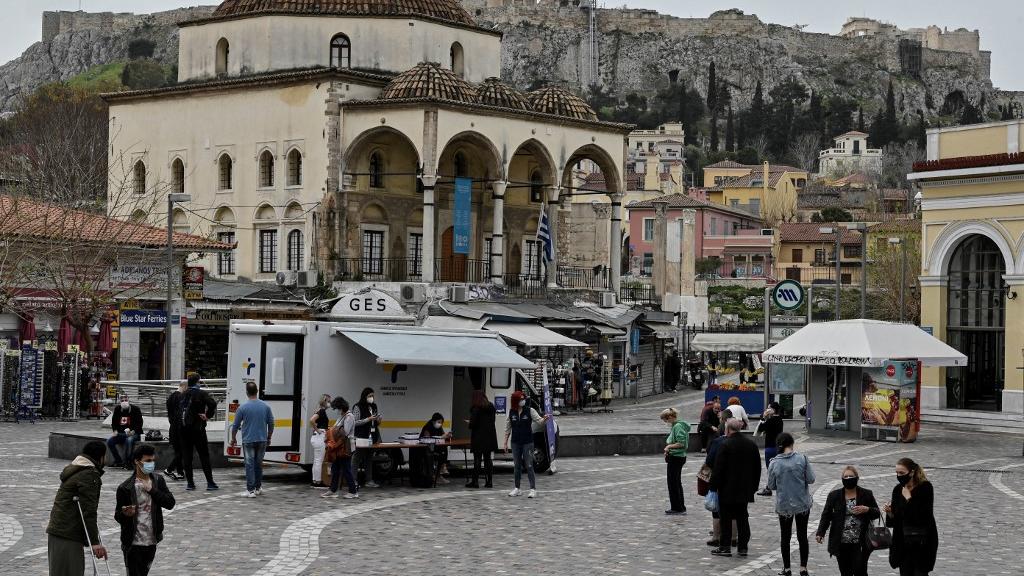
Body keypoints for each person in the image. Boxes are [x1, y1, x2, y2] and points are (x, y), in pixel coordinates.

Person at [46, 440, 109, 576]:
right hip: (68, 533)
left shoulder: (76, 469)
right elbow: (89, 510)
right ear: (101, 457)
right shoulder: (88, 474)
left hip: (59, 531)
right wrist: (95, 542)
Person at [114, 443, 175, 576]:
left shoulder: (158, 481)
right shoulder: (125, 487)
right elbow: (118, 516)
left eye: (153, 461)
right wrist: (126, 514)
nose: (151, 464)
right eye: (147, 461)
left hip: (152, 540)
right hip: (132, 543)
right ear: (137, 461)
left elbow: (170, 503)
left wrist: (152, 490)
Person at [815, 465, 880, 576]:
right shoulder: (834, 495)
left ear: (857, 478)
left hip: (860, 542)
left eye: (851, 476)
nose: (848, 478)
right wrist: (821, 532)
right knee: (845, 572)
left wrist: (867, 509)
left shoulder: (866, 494)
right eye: (846, 476)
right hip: (841, 542)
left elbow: (876, 513)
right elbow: (826, 515)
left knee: (860, 571)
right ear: (842, 479)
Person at [709, 418, 761, 558]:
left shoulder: (725, 445)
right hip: (745, 489)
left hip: (727, 489)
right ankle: (743, 548)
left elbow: (718, 469)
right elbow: (757, 469)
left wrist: (713, 487)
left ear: (727, 429)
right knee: (743, 518)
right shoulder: (751, 445)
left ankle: (725, 547)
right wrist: (753, 487)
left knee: (726, 518)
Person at [766, 432, 816, 576]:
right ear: (791, 444)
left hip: (784, 505)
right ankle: (803, 567)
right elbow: (811, 479)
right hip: (802, 503)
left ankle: (787, 568)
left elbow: (772, 486)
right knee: (802, 535)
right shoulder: (802, 459)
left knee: (785, 537)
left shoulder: (774, 463)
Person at [884, 458, 938, 576]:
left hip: (922, 542)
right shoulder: (898, 489)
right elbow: (895, 521)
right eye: (897, 473)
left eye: (902, 473)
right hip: (903, 544)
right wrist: (889, 513)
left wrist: (909, 498)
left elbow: (923, 517)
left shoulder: (926, 487)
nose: (899, 476)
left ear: (912, 472)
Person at [229, 381, 275, 497]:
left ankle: (250, 490)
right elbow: (271, 423)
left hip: (248, 440)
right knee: (258, 464)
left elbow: (235, 425)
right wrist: (269, 436)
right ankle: (258, 487)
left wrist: (233, 438)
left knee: (249, 464)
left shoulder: (242, 408)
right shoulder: (266, 406)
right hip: (262, 439)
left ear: (246, 392)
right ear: (257, 391)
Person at [503, 390, 551, 498]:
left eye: (523, 399)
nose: (523, 401)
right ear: (515, 401)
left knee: (529, 465)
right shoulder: (511, 412)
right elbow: (507, 429)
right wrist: (505, 443)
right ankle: (517, 488)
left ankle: (533, 489)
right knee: (517, 466)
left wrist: (545, 419)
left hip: (527, 442)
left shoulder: (530, 411)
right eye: (520, 399)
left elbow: (539, 421)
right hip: (515, 442)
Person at [179, 374, 219, 491]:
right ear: (197, 382)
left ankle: (190, 483)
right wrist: (207, 415)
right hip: (198, 428)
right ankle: (210, 482)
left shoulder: (183, 394)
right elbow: (212, 403)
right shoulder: (201, 393)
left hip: (183, 429)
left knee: (187, 456)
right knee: (204, 456)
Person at [322, 397, 358, 499]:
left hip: (345, 446)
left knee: (346, 469)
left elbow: (345, 432)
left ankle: (353, 491)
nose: (336, 411)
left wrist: (333, 431)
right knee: (335, 468)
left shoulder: (349, 417)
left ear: (341, 407)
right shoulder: (342, 416)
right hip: (338, 446)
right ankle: (332, 490)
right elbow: (336, 429)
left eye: (337, 408)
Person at [661, 407, 690, 515]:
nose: (665, 422)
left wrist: (669, 447)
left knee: (673, 483)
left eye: (665, 420)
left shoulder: (678, 426)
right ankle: (679, 506)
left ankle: (677, 507)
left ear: (670, 417)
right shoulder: (677, 425)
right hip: (677, 457)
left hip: (676, 457)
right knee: (675, 482)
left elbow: (681, 443)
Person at [352, 387, 382, 488]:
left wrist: (378, 420)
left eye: (373, 396)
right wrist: (368, 419)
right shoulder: (357, 406)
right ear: (365, 396)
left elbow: (375, 422)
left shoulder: (374, 406)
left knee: (369, 458)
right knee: (357, 457)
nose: (372, 398)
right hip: (361, 436)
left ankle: (369, 480)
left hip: (372, 436)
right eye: (370, 396)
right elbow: (355, 422)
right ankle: (353, 480)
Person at [467, 390, 497, 488]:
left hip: (479, 437)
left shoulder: (476, 408)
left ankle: (475, 482)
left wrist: (469, 423)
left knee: (477, 459)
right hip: (489, 437)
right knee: (488, 459)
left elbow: (473, 423)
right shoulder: (491, 407)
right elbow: (492, 420)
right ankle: (489, 482)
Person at [106, 394, 144, 469]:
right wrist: (115, 431)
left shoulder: (135, 409)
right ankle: (118, 461)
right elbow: (114, 422)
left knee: (129, 440)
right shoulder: (117, 409)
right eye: (122, 400)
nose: (124, 402)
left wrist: (133, 431)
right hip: (121, 433)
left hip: (134, 433)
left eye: (126, 400)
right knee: (110, 441)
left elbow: (139, 423)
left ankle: (128, 461)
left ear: (129, 401)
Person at [756, 401, 785, 496]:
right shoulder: (780, 420)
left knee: (770, 469)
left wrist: (763, 417)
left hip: (770, 447)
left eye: (769, 408)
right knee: (778, 468)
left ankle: (769, 488)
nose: (767, 410)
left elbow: (760, 429)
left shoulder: (771, 420)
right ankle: (779, 487)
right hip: (778, 446)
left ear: (773, 410)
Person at [163, 381, 187, 480]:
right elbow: (181, 415)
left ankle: (180, 472)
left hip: (172, 428)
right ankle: (169, 469)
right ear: (184, 386)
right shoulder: (180, 397)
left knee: (178, 451)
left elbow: (170, 415)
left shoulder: (170, 397)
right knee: (182, 451)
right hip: (179, 428)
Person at [420, 412, 453, 483]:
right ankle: (439, 471)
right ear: (433, 421)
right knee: (441, 452)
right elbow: (427, 440)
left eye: (441, 422)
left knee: (444, 448)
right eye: (439, 422)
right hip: (426, 449)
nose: (440, 424)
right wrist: (440, 438)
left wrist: (447, 435)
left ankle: (442, 469)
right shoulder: (427, 427)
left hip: (435, 447)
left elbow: (442, 434)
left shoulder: (438, 426)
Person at [309, 394, 331, 488]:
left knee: (316, 460)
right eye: (329, 401)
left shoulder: (318, 410)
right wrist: (318, 430)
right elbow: (311, 420)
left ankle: (315, 480)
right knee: (319, 461)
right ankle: (318, 482)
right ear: (325, 401)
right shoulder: (321, 411)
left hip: (315, 438)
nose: (330, 404)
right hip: (319, 437)